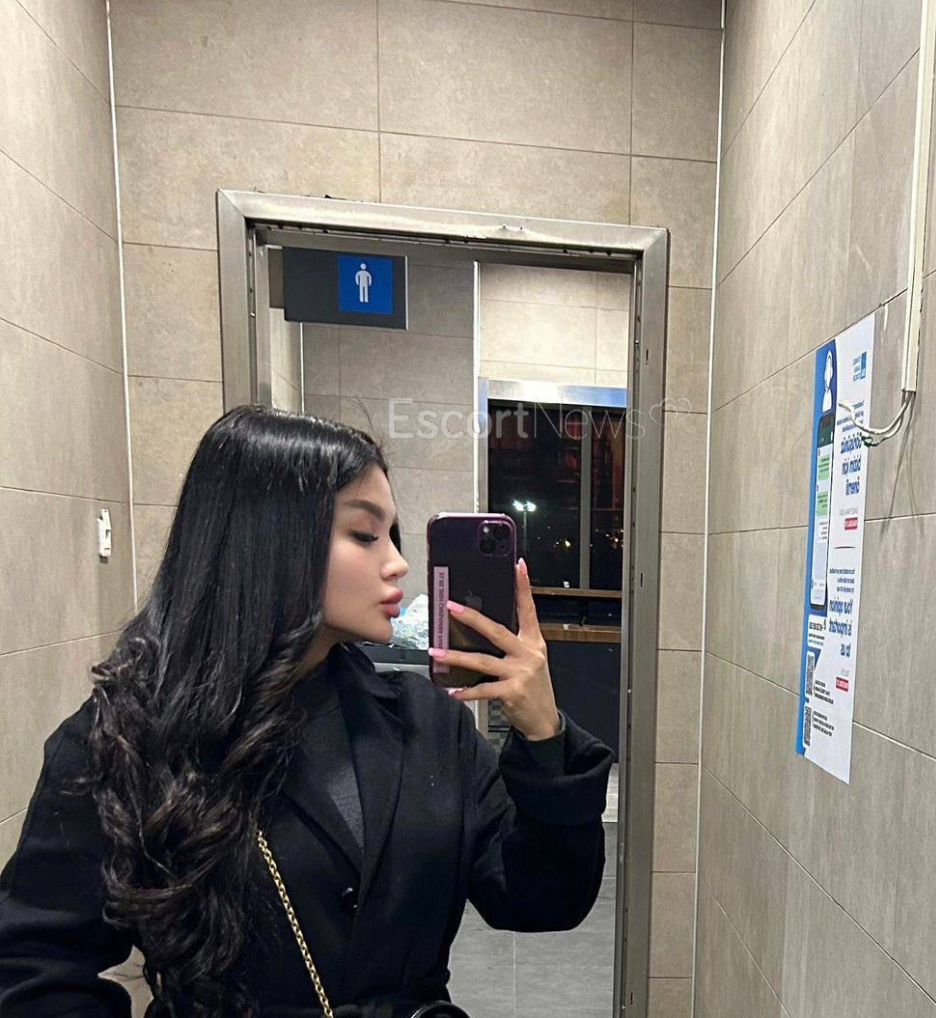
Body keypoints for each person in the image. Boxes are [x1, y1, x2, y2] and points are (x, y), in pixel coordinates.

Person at [0, 407, 613, 1017]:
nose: (398, 563)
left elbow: (540, 899)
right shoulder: (131, 737)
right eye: (365, 535)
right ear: (269, 539)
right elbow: (33, 970)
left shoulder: (427, 725)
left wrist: (544, 734)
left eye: (393, 536)